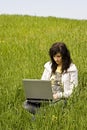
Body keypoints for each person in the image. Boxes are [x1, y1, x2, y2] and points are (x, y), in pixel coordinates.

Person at [23, 42, 78, 114]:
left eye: (58, 56)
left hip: (61, 98)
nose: (56, 59)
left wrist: (58, 95)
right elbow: (42, 83)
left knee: (62, 103)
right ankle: (44, 113)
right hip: (47, 97)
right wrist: (38, 94)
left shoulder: (72, 69)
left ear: (64, 56)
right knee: (26, 103)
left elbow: (74, 91)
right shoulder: (49, 66)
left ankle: (39, 113)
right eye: (54, 56)